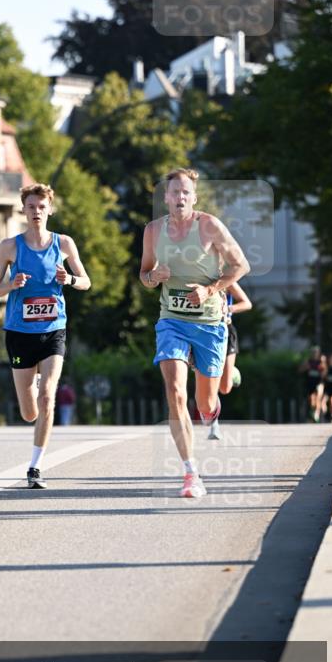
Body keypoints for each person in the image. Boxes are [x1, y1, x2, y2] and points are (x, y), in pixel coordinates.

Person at [140, 168, 250, 499]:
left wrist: (210, 289)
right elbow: (144, 274)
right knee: (175, 391)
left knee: (205, 403)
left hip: (210, 323)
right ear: (166, 197)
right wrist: (154, 277)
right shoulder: (153, 231)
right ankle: (191, 473)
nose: (180, 197)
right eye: (175, 192)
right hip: (172, 321)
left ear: (194, 197)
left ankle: (212, 408)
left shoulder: (209, 226)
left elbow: (241, 265)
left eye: (186, 192)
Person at [0, 183, 90, 488]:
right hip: (19, 333)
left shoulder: (64, 243)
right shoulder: (10, 247)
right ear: (23, 210)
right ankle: (30, 387)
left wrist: (69, 280)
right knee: (29, 412)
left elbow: (86, 281)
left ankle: (35, 466)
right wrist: (11, 284)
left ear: (50, 210)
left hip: (53, 330)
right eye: (31, 207)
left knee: (48, 396)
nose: (36, 212)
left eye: (42, 207)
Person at [206, 281, 253, 440]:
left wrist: (229, 309)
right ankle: (214, 425)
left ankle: (231, 371)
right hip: (206, 333)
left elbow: (247, 303)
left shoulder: (227, 280)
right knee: (211, 380)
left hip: (226, 330)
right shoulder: (199, 277)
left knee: (225, 388)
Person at [299, 346, 326, 424]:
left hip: (319, 383)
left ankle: (317, 414)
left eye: (316, 352)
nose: (315, 354)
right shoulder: (308, 361)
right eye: (313, 352)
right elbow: (300, 370)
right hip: (310, 383)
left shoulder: (321, 361)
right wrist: (305, 367)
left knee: (318, 397)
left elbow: (325, 374)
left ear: (319, 353)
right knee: (312, 399)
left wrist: (323, 365)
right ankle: (313, 411)